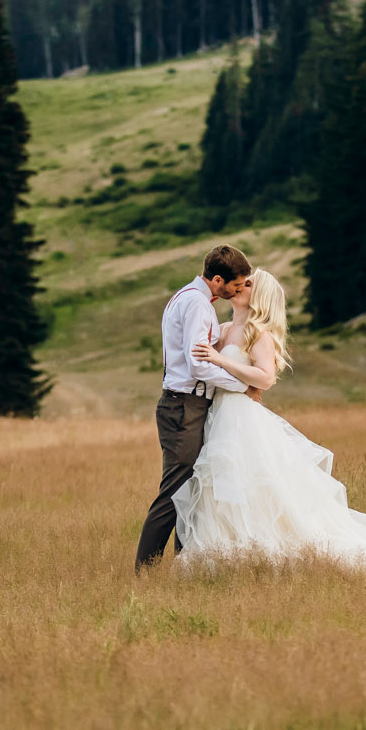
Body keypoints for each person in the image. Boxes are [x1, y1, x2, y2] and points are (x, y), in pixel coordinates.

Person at [174, 267, 366, 575]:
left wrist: (220, 359)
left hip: (241, 420)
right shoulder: (223, 329)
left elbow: (264, 378)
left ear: (260, 295)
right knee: (218, 486)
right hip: (217, 416)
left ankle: (255, 549)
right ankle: (225, 551)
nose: (240, 286)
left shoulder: (258, 333)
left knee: (247, 483)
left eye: (248, 283)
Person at [134, 244, 251, 571]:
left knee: (191, 490)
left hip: (187, 404)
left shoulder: (188, 297)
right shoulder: (198, 305)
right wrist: (242, 385)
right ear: (217, 279)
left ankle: (184, 565)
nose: (238, 290)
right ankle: (145, 573)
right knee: (174, 492)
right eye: (236, 285)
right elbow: (198, 365)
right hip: (185, 406)